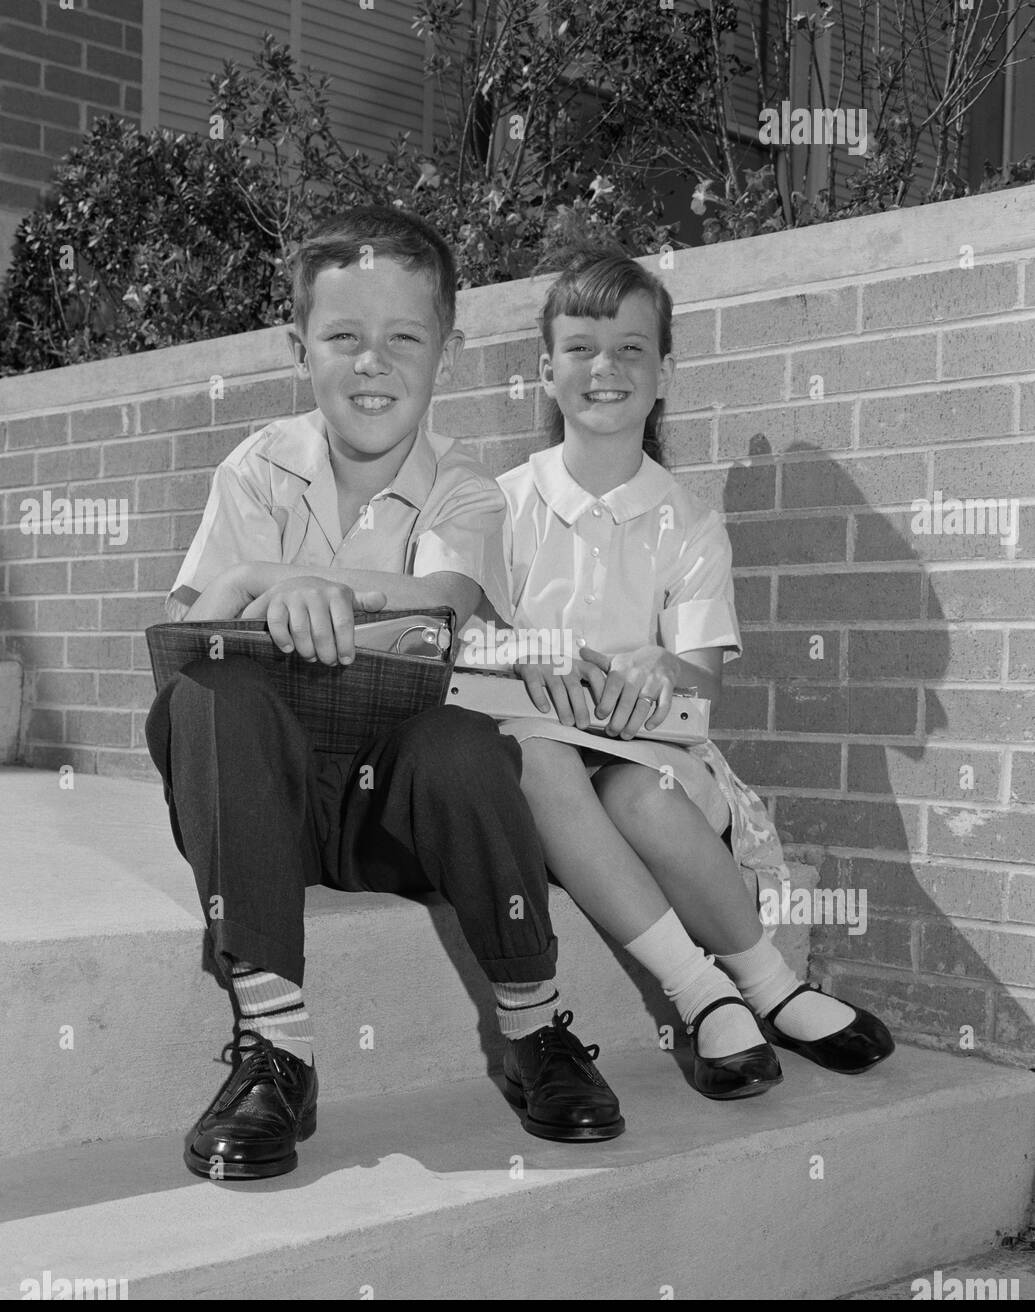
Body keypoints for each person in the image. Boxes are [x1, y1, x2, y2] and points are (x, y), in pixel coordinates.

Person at [145, 208, 625, 1180]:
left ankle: (535, 1033)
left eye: (404, 336)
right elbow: (184, 641)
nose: (374, 363)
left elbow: (448, 607)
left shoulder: (464, 487)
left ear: (444, 348)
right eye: (343, 337)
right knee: (211, 696)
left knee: (466, 742)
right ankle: (278, 1050)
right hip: (255, 799)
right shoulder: (257, 467)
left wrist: (318, 589)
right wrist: (255, 587)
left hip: (385, 808)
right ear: (299, 347)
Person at [467, 248, 894, 1100]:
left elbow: (701, 688)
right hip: (530, 769)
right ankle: (703, 994)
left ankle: (773, 989)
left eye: (631, 349)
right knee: (539, 755)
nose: (605, 368)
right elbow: (462, 641)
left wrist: (657, 663)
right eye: (581, 347)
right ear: (546, 370)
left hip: (649, 760)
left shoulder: (689, 524)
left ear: (663, 372)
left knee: (639, 790)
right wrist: (525, 650)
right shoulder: (496, 505)